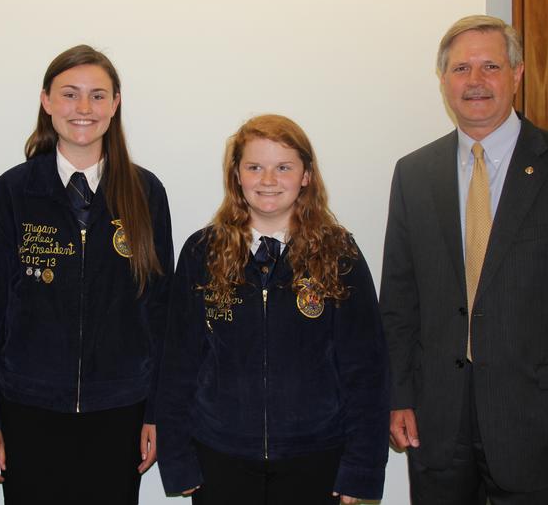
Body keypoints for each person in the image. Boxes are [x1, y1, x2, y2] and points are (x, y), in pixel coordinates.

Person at [379, 15, 548, 505]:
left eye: (490, 65)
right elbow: (399, 301)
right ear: (443, 82)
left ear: (516, 74)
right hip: (438, 426)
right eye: (460, 69)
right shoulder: (414, 173)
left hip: (544, 430)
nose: (475, 81)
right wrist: (398, 396)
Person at [0, 45, 173, 504]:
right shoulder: (14, 192)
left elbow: (159, 314)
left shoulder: (146, 193)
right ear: (46, 101)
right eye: (70, 94)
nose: (84, 109)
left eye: (98, 96)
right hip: (27, 409)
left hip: (120, 411)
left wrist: (158, 412)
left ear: (116, 103)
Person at [157, 114, 389, 505]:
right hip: (220, 457)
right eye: (254, 167)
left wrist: (362, 469)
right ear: (236, 175)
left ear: (306, 176)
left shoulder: (339, 253)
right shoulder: (202, 252)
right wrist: (177, 458)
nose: (268, 180)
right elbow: (178, 361)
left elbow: (366, 368)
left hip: (316, 458)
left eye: (283, 167)